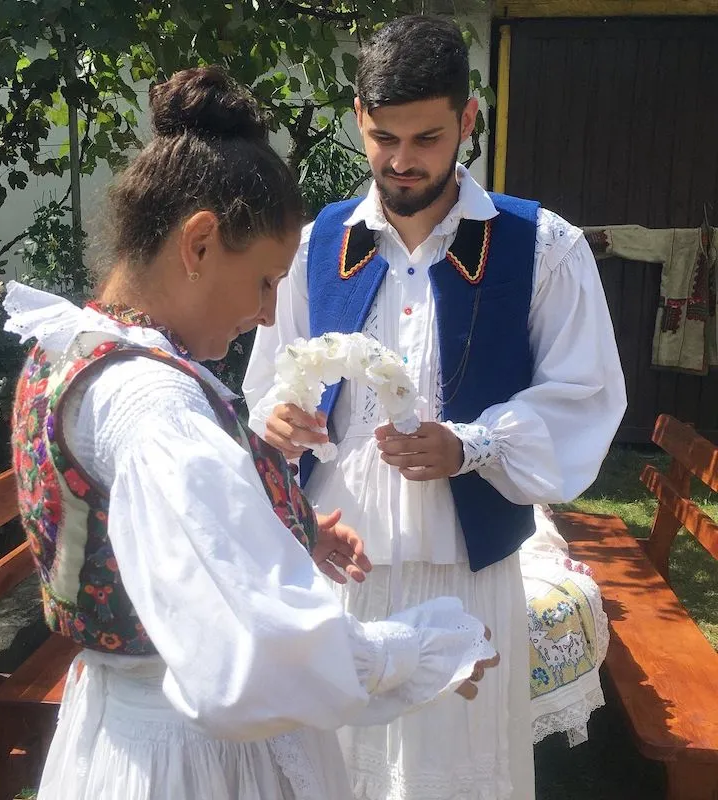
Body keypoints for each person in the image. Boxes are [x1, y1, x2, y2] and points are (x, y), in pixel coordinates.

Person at [4, 66, 500, 800]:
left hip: (127, 722)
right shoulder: (151, 406)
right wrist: (419, 650)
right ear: (199, 244)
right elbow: (254, 653)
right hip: (187, 759)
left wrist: (288, 526)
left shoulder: (78, 344)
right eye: (266, 280)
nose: (269, 315)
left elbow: (153, 533)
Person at [243, 15, 627, 800]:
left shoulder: (542, 246)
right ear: (358, 118)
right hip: (340, 570)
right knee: (331, 773)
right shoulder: (316, 245)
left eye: (426, 138)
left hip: (467, 572)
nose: (402, 160)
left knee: (458, 779)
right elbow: (267, 382)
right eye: (384, 137)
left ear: (468, 121)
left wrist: (473, 446)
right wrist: (276, 421)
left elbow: (586, 393)